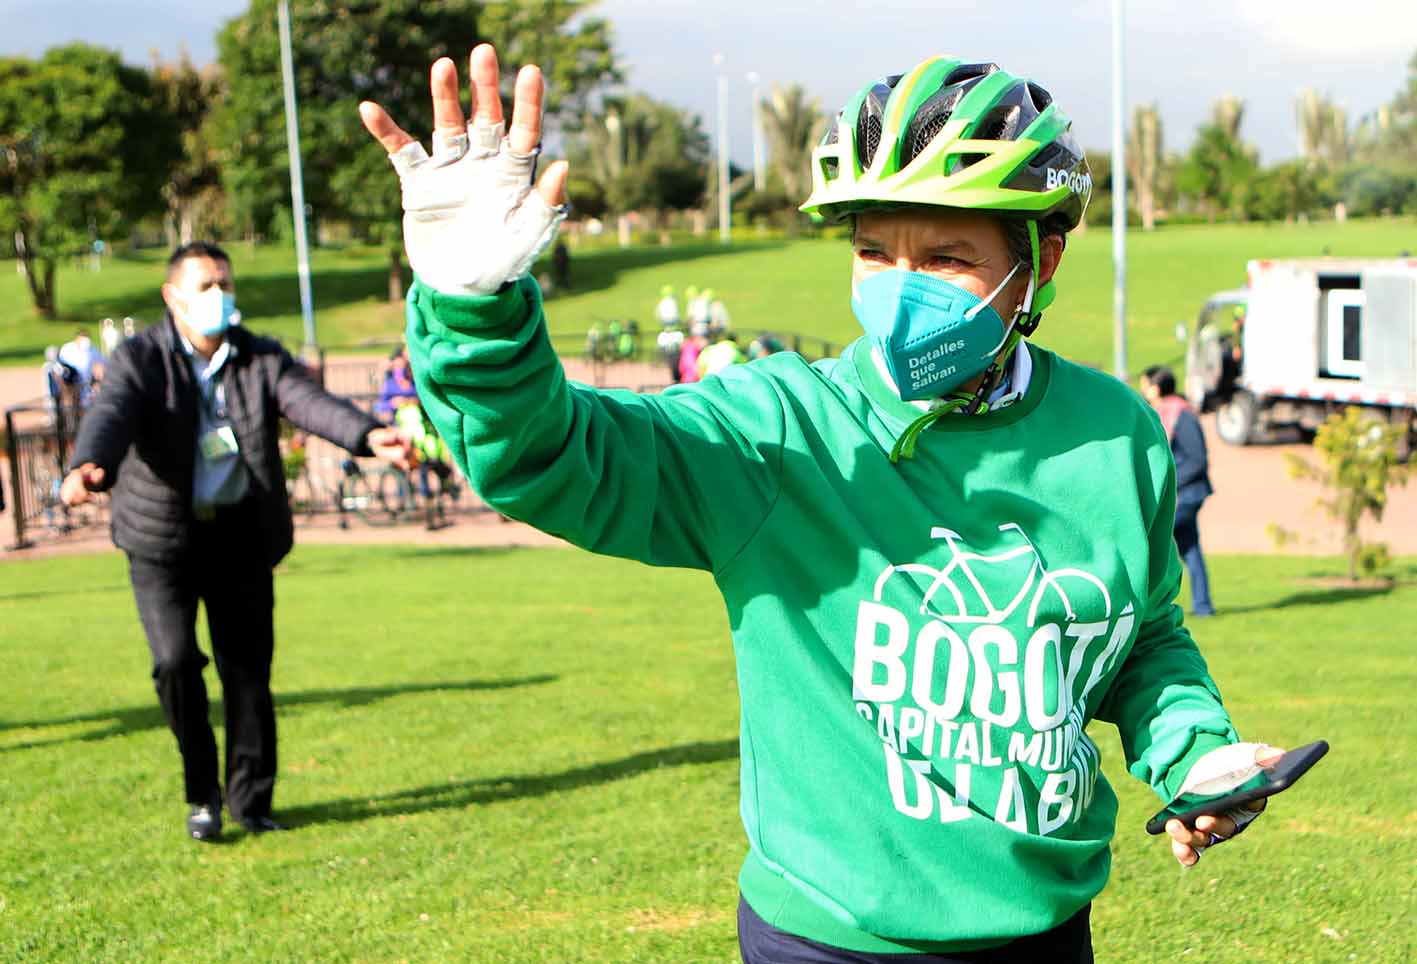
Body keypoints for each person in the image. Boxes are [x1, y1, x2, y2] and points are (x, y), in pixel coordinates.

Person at [361, 47, 1282, 960]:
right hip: (828, 941)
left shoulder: (1113, 433)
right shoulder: (776, 428)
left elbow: (1138, 636)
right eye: (873, 251)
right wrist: (473, 306)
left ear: (1039, 261)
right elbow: (556, 457)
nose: (898, 289)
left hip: (1043, 932)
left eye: (945, 257)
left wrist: (1193, 750)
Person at [60, 241, 410, 842]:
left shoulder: (259, 357)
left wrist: (368, 435)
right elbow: (112, 411)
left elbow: (309, 402)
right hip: (161, 541)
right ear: (173, 297)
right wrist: (91, 464)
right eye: (205, 286)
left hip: (240, 536)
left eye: (225, 283)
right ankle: (204, 795)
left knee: (247, 675)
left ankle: (252, 803)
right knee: (175, 664)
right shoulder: (140, 358)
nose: (219, 295)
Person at [1141, 365, 1216, 617]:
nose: (1143, 389)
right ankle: (1203, 606)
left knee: (1147, 541)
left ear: (1157, 387)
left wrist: (1169, 480)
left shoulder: (1182, 416)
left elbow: (1197, 459)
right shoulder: (1164, 413)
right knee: (1190, 548)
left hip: (1186, 495)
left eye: (1146, 384)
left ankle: (1145, 609)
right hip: (1180, 493)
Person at [58, 328, 105, 407]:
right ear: (77, 338)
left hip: (86, 383)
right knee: (70, 403)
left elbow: (102, 364)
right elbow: (60, 367)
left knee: (86, 403)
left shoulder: (93, 350)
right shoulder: (67, 349)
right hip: (70, 381)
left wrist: (97, 381)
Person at [375, 346, 419, 421]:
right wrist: (392, 403)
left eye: (405, 366)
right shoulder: (390, 385)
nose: (401, 370)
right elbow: (378, 407)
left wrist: (410, 401)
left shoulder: (415, 384)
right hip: (397, 422)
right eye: (398, 367)